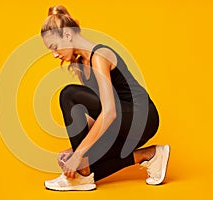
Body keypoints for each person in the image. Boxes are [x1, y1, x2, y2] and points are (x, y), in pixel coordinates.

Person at [40, 5, 170, 191]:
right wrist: (75, 151)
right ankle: (151, 155)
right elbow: (98, 113)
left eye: (54, 47)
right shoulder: (80, 65)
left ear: (67, 36)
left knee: (68, 94)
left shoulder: (99, 56)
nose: (54, 55)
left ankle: (80, 176)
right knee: (90, 169)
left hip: (141, 117)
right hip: (121, 122)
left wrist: (79, 154)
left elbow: (109, 112)